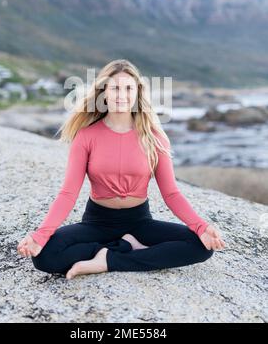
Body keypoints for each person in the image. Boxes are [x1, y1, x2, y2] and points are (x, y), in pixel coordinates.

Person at [17, 59, 226, 279]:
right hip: (97, 222)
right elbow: (68, 194)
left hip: (140, 222)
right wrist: (40, 235)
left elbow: (172, 193)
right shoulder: (86, 136)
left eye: (128, 88)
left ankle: (107, 261)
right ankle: (124, 248)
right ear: (104, 92)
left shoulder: (154, 138)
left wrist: (202, 227)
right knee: (44, 256)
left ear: (137, 93)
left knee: (201, 246)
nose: (121, 95)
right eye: (115, 88)